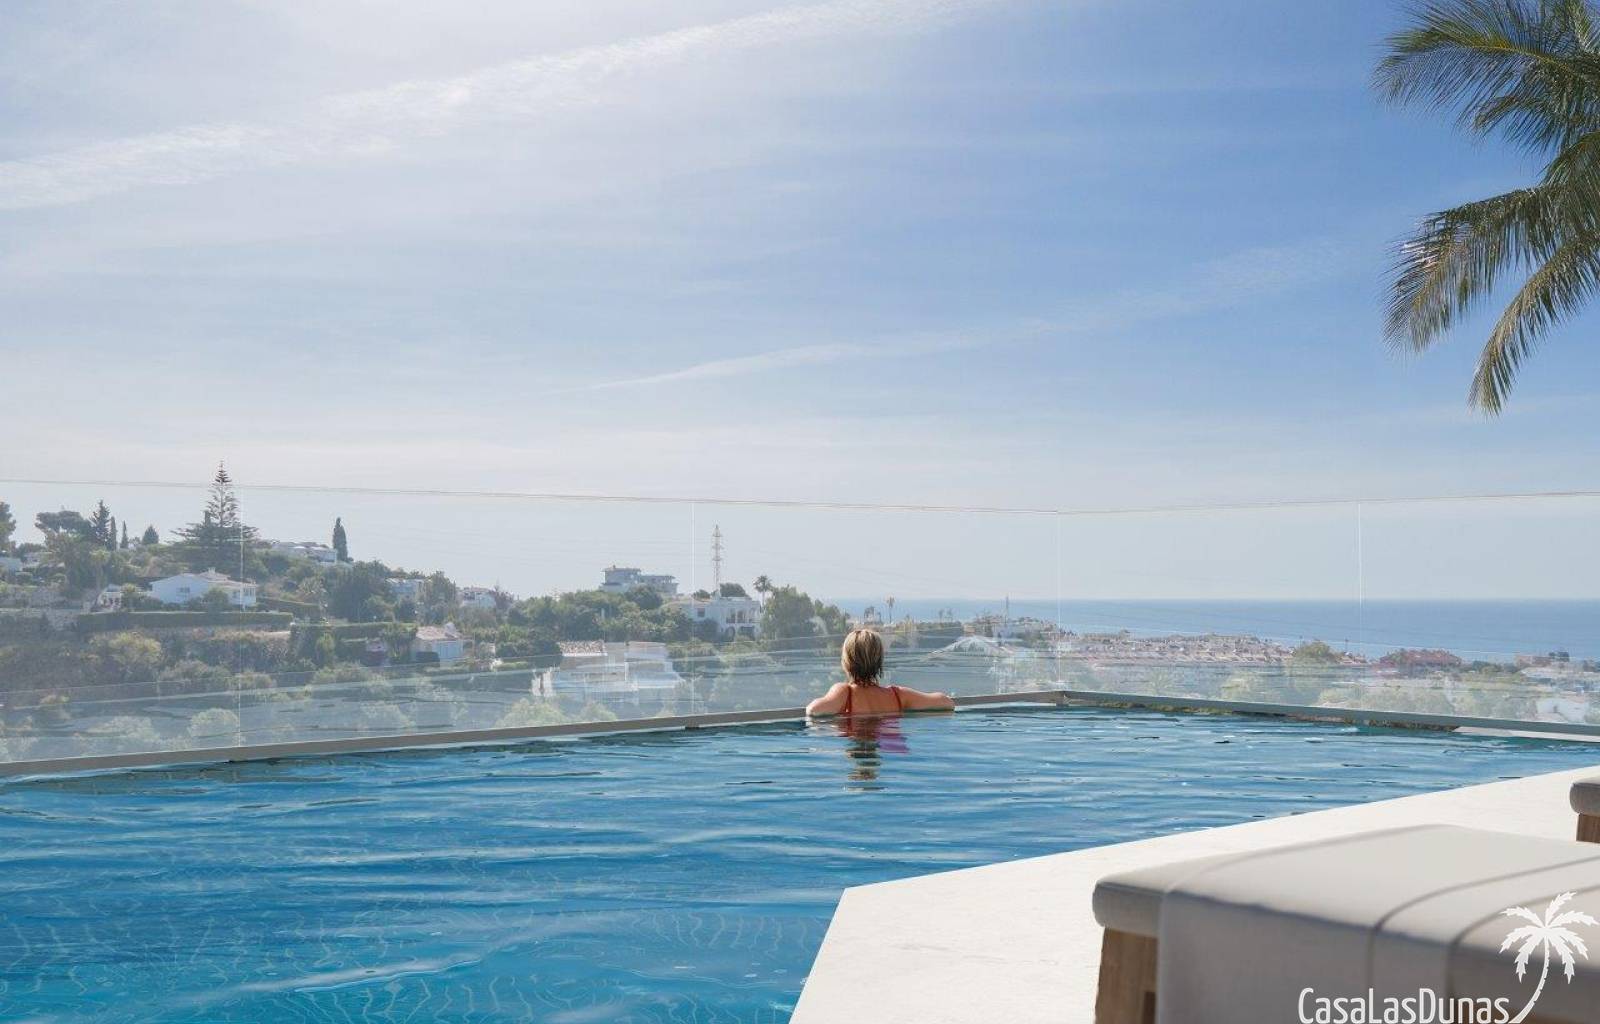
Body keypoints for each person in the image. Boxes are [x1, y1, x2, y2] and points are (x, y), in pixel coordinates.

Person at [805, 628, 955, 717]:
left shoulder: (844, 692)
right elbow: (947, 703)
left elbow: (814, 710)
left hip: (860, 749)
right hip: (893, 749)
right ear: (879, 661)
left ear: (847, 661)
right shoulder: (897, 695)